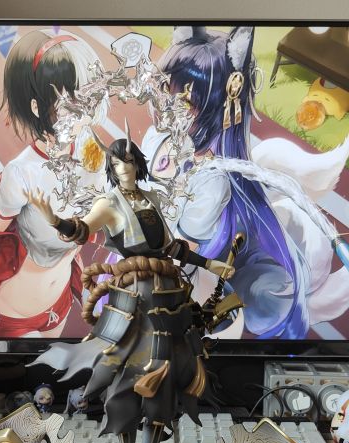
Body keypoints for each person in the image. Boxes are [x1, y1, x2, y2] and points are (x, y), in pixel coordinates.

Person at [29, 131, 234, 443]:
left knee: (164, 382)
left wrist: (209, 264)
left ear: (137, 163)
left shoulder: (151, 198)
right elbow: (82, 230)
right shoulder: (110, 203)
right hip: (132, 301)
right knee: (124, 383)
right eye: (115, 162)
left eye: (126, 160)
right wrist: (54, 219)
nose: (122, 167)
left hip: (168, 297)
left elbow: (171, 248)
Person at [142, 26, 349, 338]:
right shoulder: (162, 142)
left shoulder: (214, 181)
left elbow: (178, 250)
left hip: (215, 278)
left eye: (183, 103)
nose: (169, 110)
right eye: (166, 95)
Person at [0, 29, 107, 338]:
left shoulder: (89, 147)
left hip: (60, 301)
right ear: (37, 108)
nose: (83, 111)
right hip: (13, 312)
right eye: (71, 102)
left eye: (87, 97)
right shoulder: (22, 173)